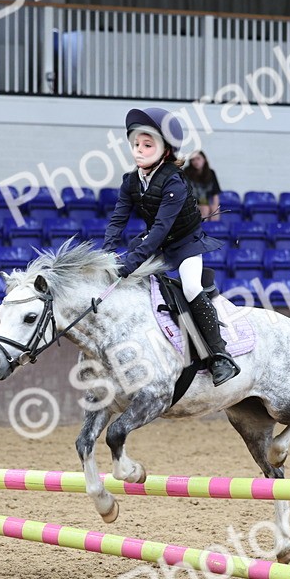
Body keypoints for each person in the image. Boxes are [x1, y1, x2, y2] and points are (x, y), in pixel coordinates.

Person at [104, 107, 240, 386]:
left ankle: (220, 356)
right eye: (136, 144)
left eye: (147, 145)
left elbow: (160, 229)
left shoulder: (174, 182)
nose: (138, 150)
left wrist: (130, 263)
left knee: (190, 288)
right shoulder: (131, 181)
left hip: (185, 244)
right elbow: (118, 218)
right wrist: (108, 253)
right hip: (157, 244)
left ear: (165, 150)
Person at [183, 150, 222, 221]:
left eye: (198, 158)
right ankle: (202, 227)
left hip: (204, 200)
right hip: (190, 202)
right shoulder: (187, 172)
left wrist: (215, 207)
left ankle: (212, 227)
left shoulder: (211, 173)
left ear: (204, 159)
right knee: (205, 209)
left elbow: (215, 193)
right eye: (193, 160)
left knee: (214, 210)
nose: (196, 162)